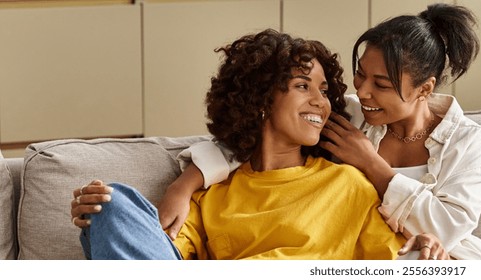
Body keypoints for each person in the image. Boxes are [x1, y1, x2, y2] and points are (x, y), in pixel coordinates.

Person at [70, 29, 446, 260]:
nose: (322, 101)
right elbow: (157, 254)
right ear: (262, 98)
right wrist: (102, 212)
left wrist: (423, 249)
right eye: (303, 86)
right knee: (112, 201)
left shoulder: (348, 184)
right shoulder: (212, 194)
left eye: (324, 90)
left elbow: (397, 258)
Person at [159, 3, 481, 260]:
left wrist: (371, 164)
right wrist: (184, 185)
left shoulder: (466, 142)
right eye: (361, 74)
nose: (362, 92)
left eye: (380, 84)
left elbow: (446, 229)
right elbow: (255, 131)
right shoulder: (346, 113)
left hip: (445, 256)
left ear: (424, 89)